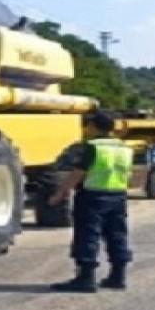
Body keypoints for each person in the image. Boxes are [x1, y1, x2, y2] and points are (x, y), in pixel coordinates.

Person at [48, 110, 134, 293]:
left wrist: (61, 193)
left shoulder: (92, 147)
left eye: (88, 125)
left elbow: (78, 173)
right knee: (117, 235)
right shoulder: (124, 148)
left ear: (94, 126)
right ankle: (118, 276)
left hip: (93, 196)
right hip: (118, 195)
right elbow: (130, 174)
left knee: (88, 236)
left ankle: (85, 278)